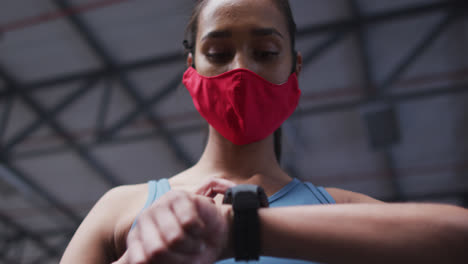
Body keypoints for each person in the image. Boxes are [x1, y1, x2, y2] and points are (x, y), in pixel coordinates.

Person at [60, 0, 468, 263]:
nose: (241, 70)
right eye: (218, 54)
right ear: (191, 69)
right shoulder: (121, 207)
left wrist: (240, 230)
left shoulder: (341, 210)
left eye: (266, 53)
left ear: (295, 67)